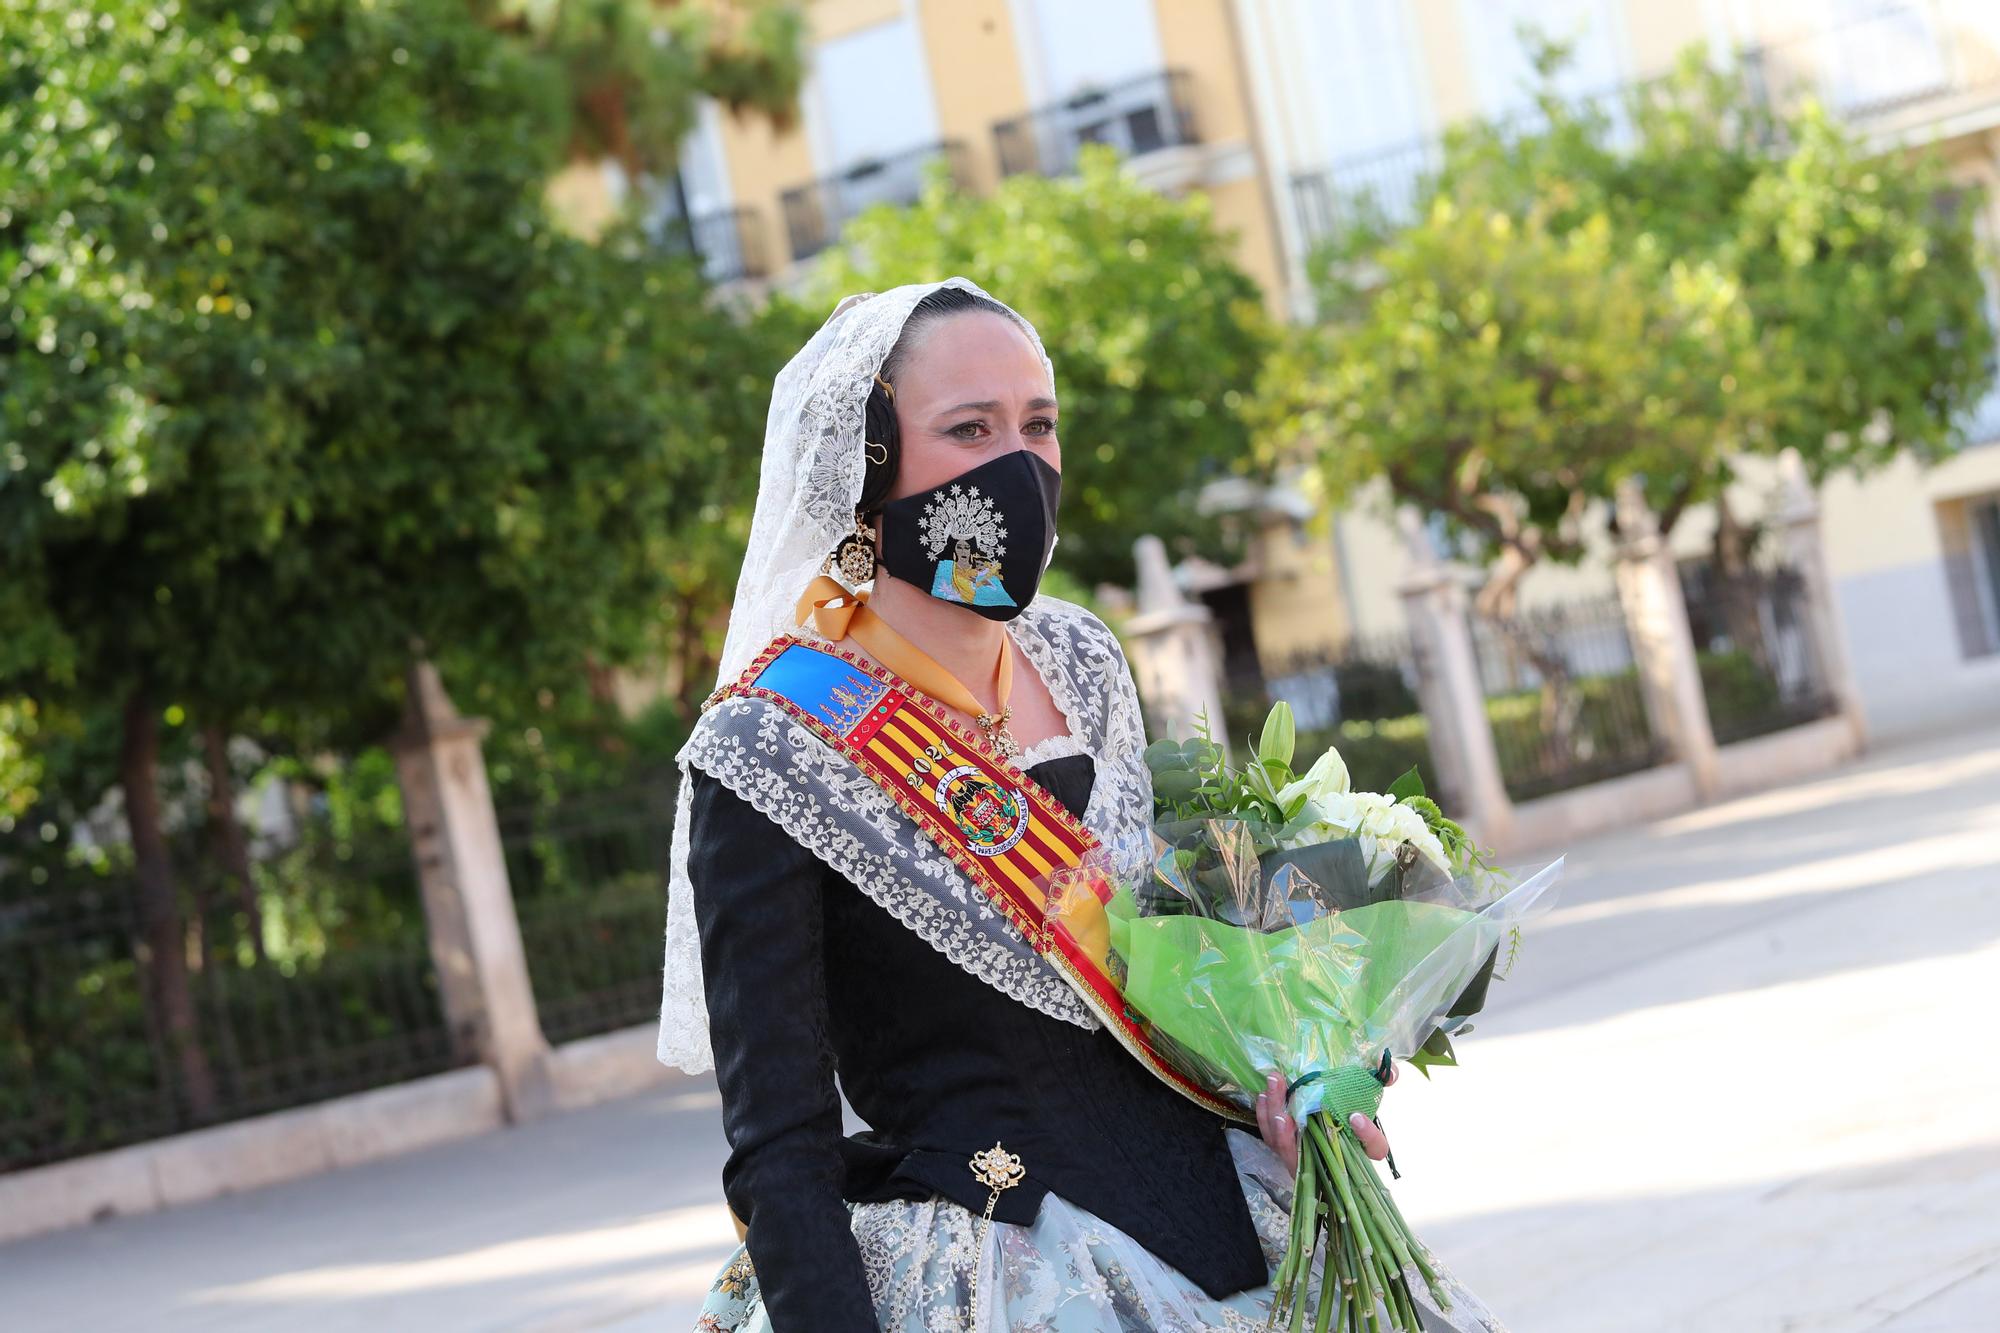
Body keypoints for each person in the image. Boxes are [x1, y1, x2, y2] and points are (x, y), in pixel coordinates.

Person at [658, 279, 1506, 1331]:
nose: (1017, 462)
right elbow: (779, 1146)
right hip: (995, 1261)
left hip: (1223, 1211)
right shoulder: (769, 745)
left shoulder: (1081, 656)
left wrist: (1283, 1072)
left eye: (1037, 423)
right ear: (868, 463)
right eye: (968, 428)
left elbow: (1148, 967)